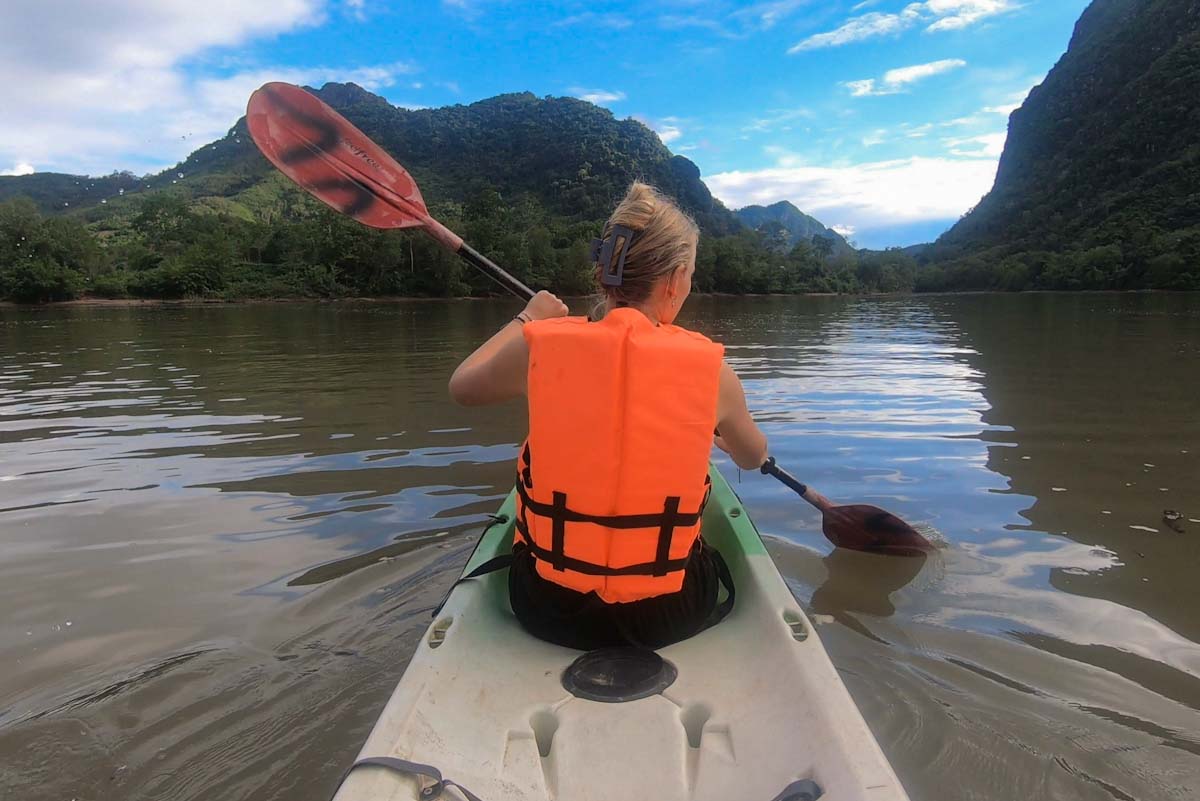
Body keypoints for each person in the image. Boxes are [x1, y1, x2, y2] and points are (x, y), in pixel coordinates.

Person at [448, 182, 768, 650]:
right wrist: (726, 436)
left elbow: (463, 388)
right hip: (670, 615)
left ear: (603, 273)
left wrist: (527, 319)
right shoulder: (712, 372)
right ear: (677, 279)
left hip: (547, 607)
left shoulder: (541, 346)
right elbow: (753, 457)